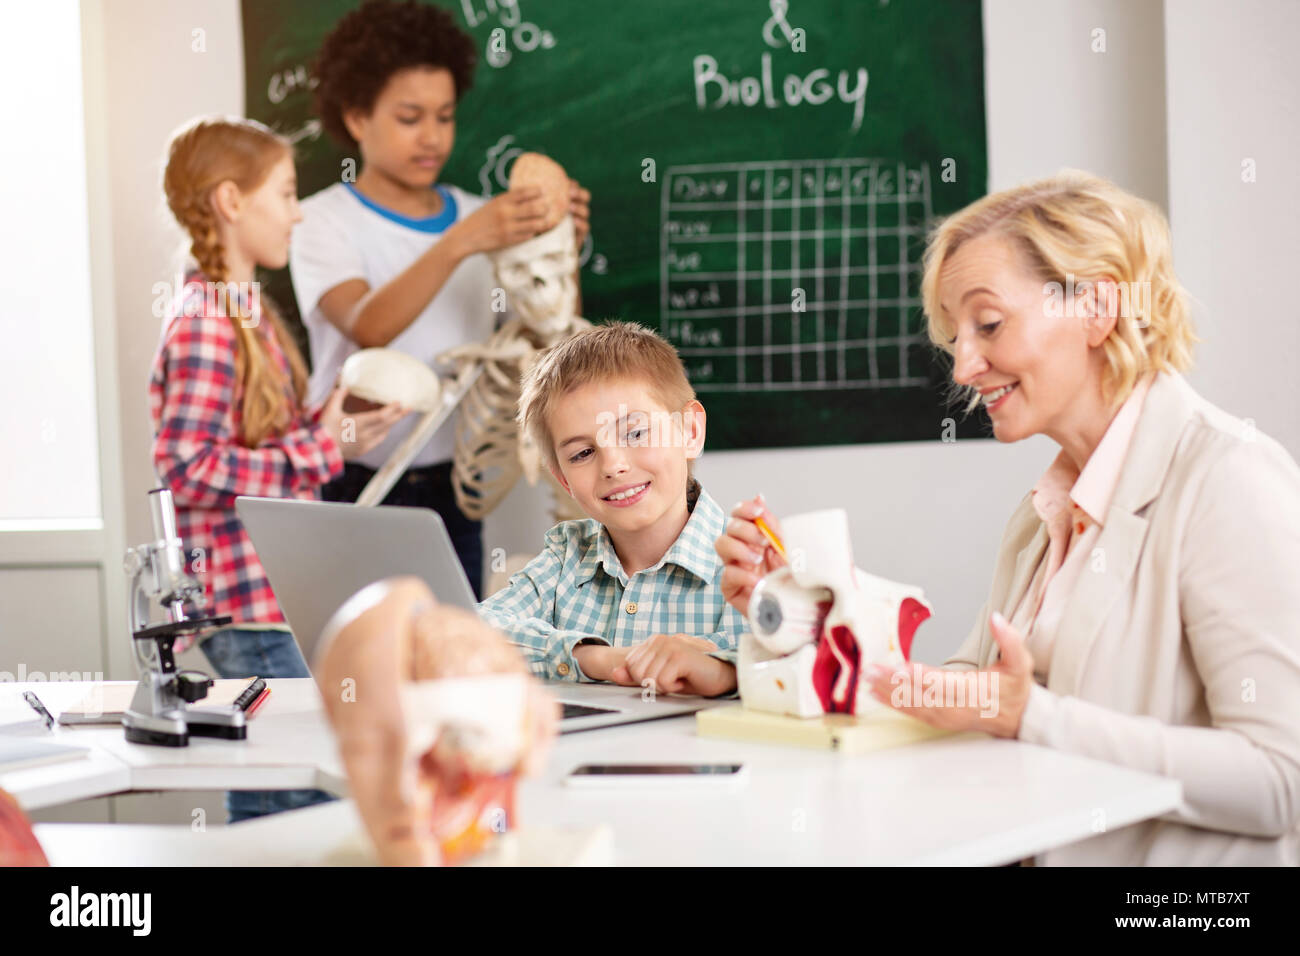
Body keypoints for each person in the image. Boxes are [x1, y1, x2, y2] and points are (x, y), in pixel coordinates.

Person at [717, 170, 1300, 865]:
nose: (963, 365)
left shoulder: (1228, 479)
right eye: (954, 336)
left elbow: (1281, 780)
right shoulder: (1041, 515)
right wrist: (807, 605)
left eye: (988, 324)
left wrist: (1035, 717)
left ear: (1097, 307)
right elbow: (956, 699)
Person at [289, 0, 591, 599]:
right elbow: (367, 324)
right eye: (409, 117)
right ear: (356, 118)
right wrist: (463, 241)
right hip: (350, 479)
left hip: (455, 484)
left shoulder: (486, 218)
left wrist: (558, 249)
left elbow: (538, 334)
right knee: (350, 653)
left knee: (451, 649)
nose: (432, 137)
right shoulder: (322, 222)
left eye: (445, 116)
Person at [152, 116, 405, 821]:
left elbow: (255, 440)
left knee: (288, 776)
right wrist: (326, 450)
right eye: (286, 193)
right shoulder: (206, 320)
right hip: (242, 597)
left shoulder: (242, 311)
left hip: (266, 594)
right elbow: (187, 464)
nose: (298, 211)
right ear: (232, 202)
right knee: (284, 785)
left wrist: (331, 422)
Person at [478, 323, 745, 697]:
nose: (613, 465)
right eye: (583, 453)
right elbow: (476, 630)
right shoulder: (565, 556)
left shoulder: (746, 563)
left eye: (635, 433)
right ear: (564, 480)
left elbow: (784, 663)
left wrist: (722, 669)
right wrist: (602, 658)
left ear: (690, 431)